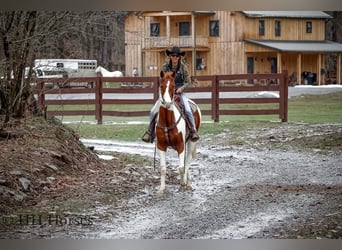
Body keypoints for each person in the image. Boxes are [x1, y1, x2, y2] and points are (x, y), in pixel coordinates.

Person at [141, 46, 200, 143]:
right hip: (167, 94)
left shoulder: (183, 67)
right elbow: (163, 80)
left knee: (188, 110)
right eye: (173, 56)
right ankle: (150, 132)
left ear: (179, 57)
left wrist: (182, 88)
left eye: (177, 56)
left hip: (179, 93)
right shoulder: (165, 67)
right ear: (170, 56)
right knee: (152, 111)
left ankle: (193, 131)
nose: (175, 57)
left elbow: (188, 81)